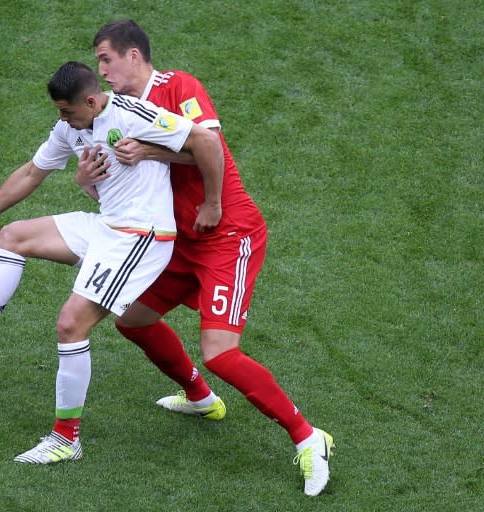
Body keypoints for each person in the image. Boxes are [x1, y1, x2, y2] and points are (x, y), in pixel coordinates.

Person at [0, 61, 226, 463]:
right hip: (108, 226)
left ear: (92, 101)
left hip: (142, 236)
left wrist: (212, 201)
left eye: (67, 111)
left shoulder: (133, 113)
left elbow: (205, 142)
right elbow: (31, 172)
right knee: (14, 236)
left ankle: (66, 439)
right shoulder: (71, 128)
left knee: (70, 324)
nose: (61, 119)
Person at [76, 20, 334, 497]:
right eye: (97, 62)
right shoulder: (115, 110)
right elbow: (113, 182)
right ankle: (200, 398)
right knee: (132, 320)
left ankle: (307, 436)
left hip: (225, 232)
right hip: (179, 240)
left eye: (106, 59)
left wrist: (211, 202)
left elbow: (207, 145)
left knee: (221, 353)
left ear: (135, 55)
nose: (101, 71)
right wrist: (86, 177)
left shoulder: (180, 86)